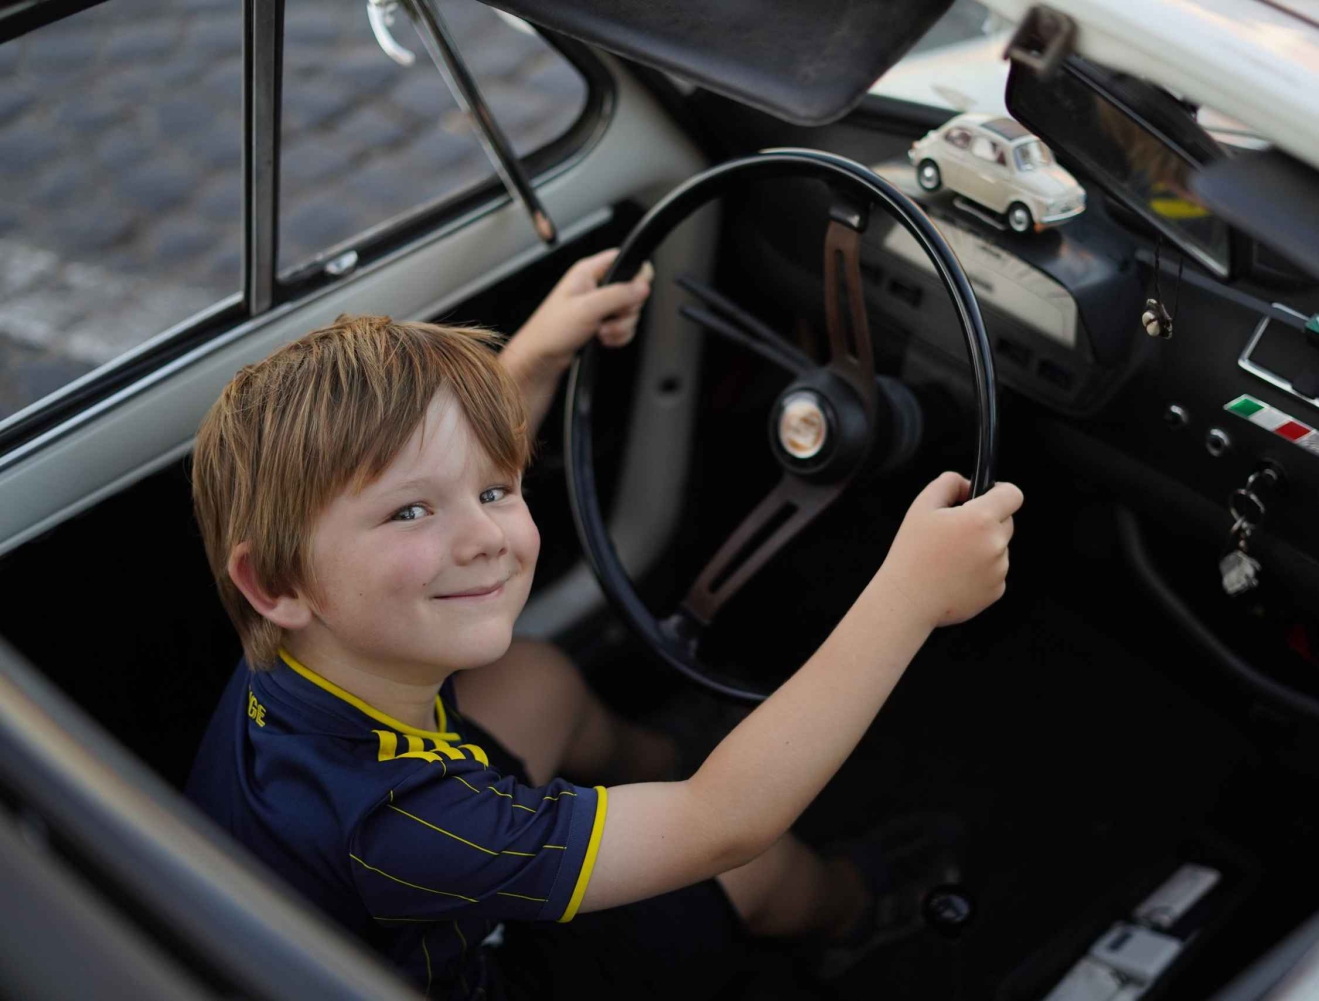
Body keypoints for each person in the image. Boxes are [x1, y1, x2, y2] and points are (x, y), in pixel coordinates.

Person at [185, 249, 1023, 999]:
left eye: (494, 491)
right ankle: (850, 911)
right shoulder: (403, 828)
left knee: (537, 680)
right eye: (410, 513)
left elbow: (443, 461)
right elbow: (721, 824)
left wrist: (535, 358)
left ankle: (663, 755)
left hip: (377, 913)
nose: (483, 537)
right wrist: (911, 594)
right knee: (755, 866)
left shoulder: (290, 652)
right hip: (486, 963)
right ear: (275, 582)